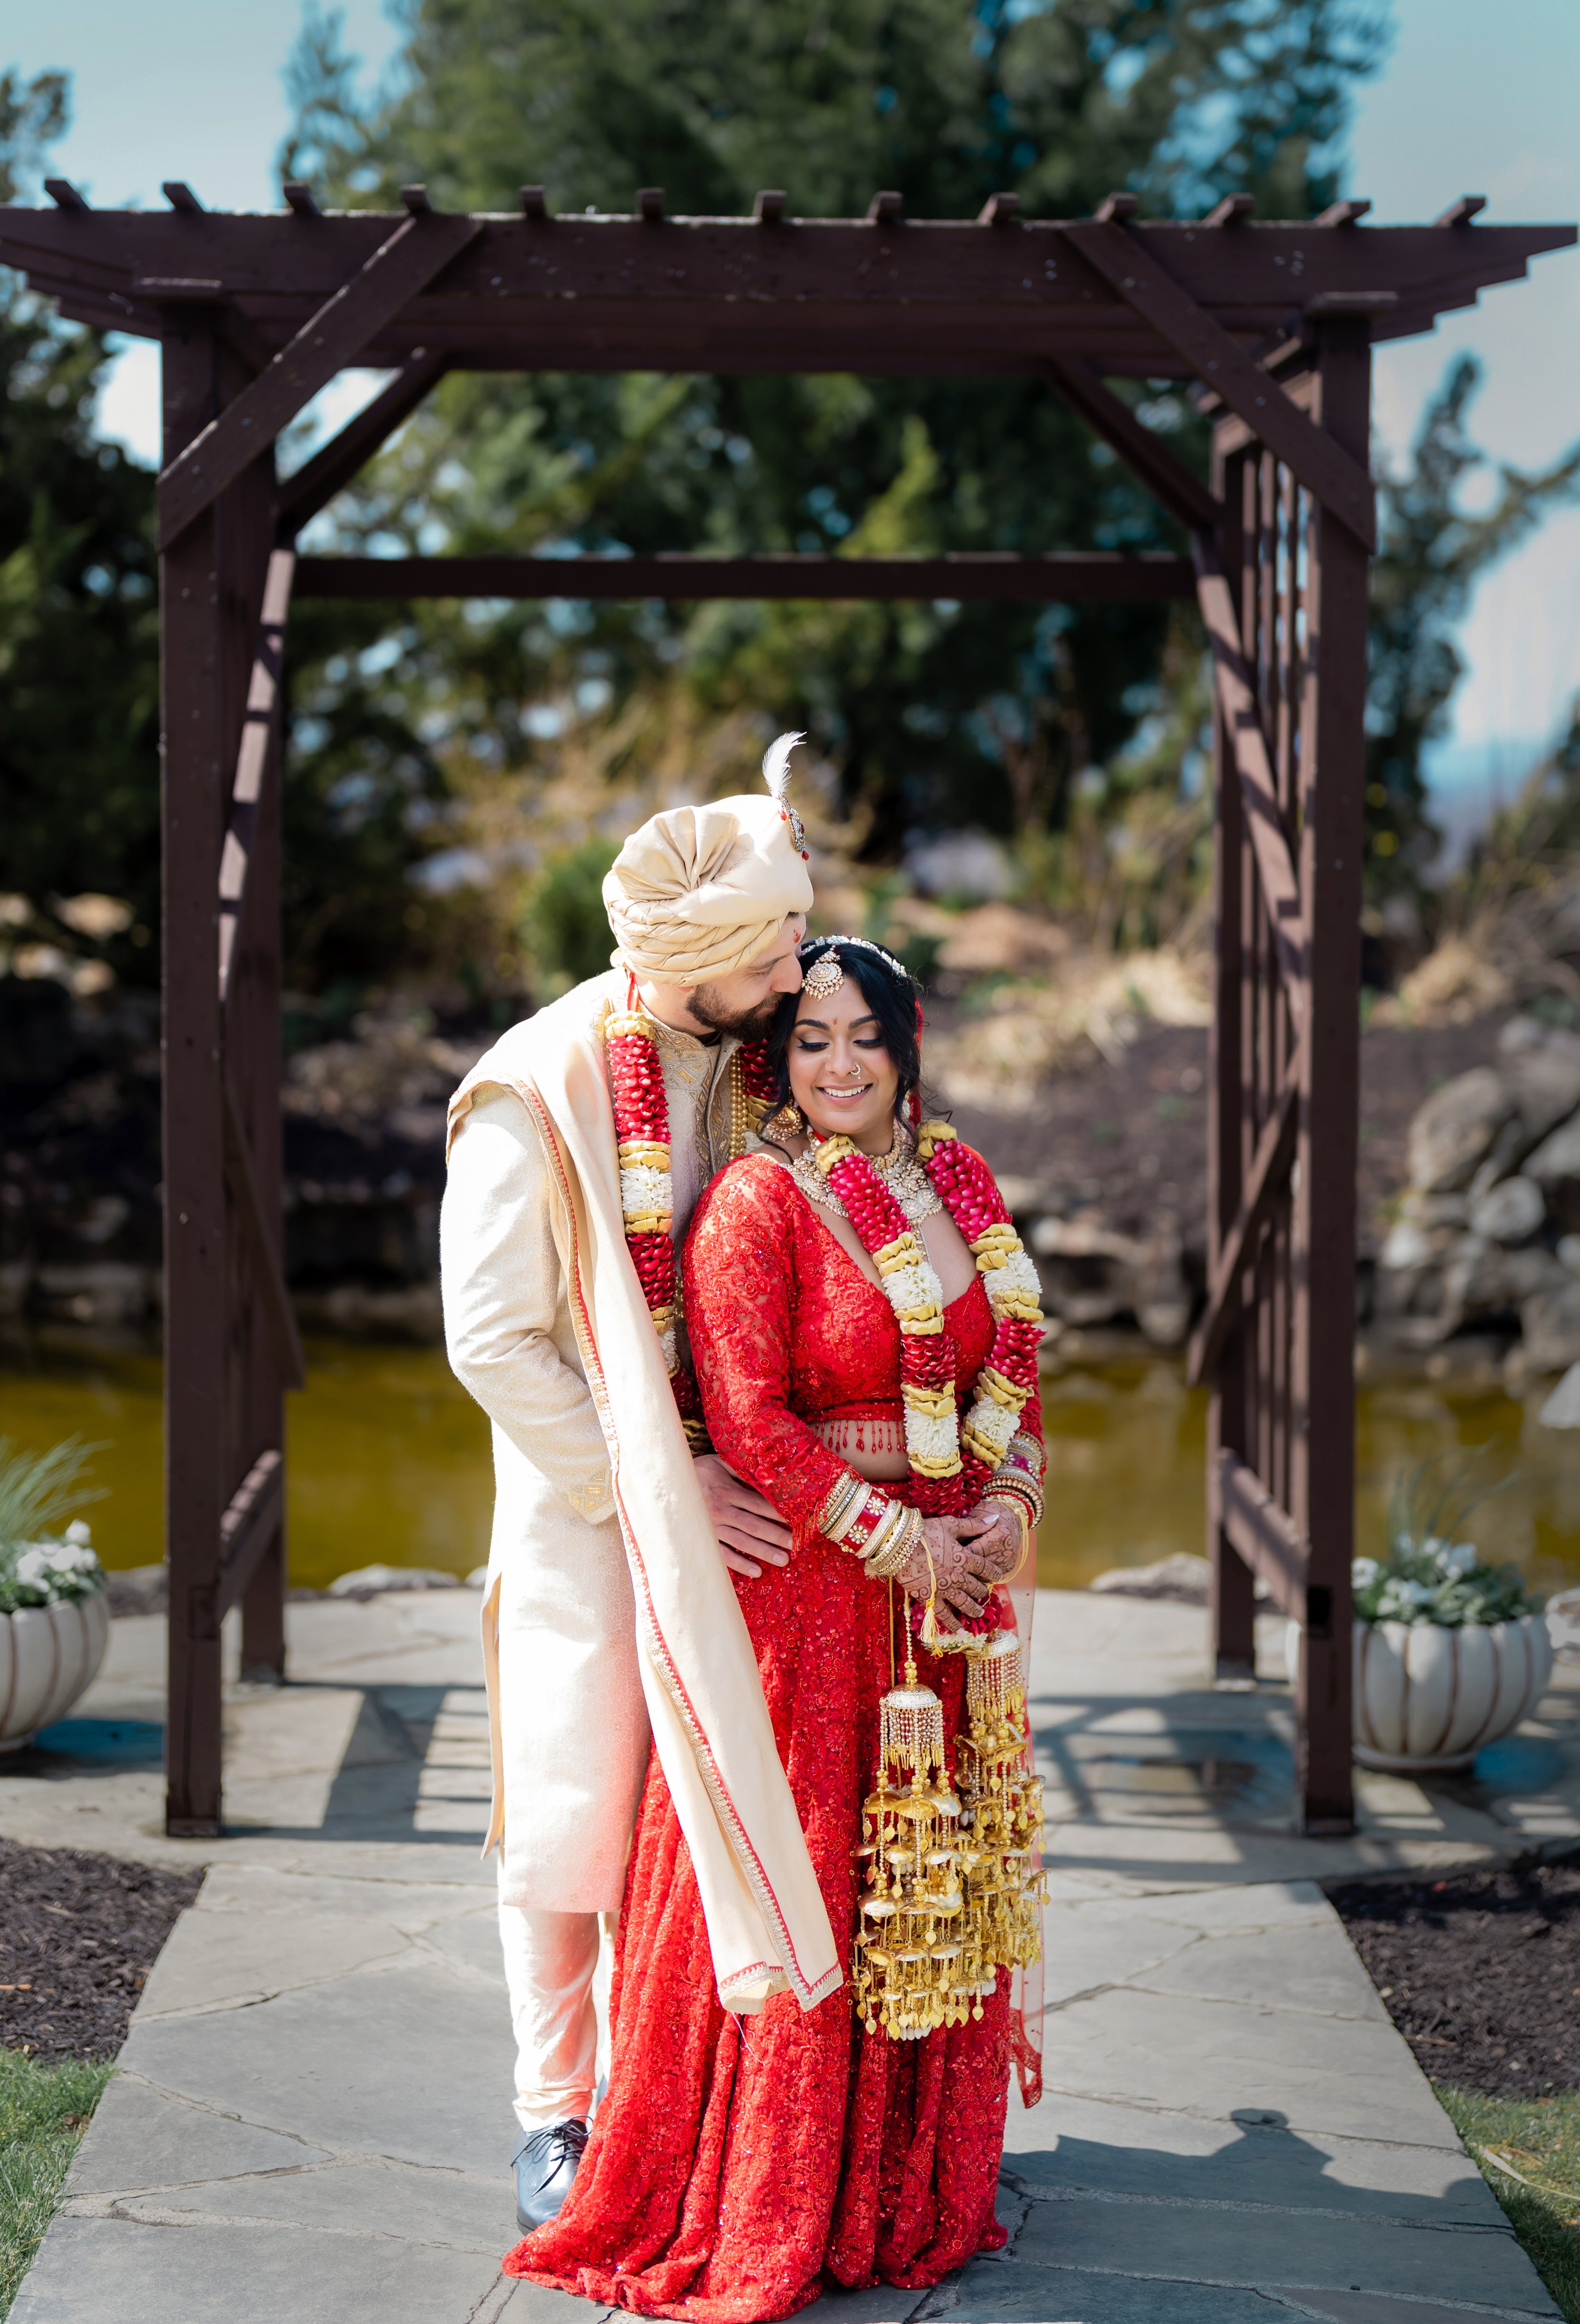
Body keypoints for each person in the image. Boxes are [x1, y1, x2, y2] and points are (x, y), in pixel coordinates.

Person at [507, 935, 1046, 2320]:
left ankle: (898, 2180)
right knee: (811, 1867)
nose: (839, 1064)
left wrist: (1003, 1509)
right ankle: (761, 2184)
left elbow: (1014, 1368)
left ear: (908, 1043)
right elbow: (744, 1417)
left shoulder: (959, 1182)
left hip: (940, 1612)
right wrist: (897, 1539)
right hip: (809, 1601)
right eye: (809, 1040)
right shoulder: (756, 1199)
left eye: (863, 1035)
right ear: (775, 1059)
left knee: (928, 1881)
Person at [440, 741, 842, 2236]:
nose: (801, 962)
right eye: (784, 943)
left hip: (747, 1493)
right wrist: (655, 1481)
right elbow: (489, 1340)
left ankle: (697, 2096)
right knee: (571, 1810)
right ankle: (553, 2110)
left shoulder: (756, 1053)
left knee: (708, 1807)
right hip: (593, 1509)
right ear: (717, 961)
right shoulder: (533, 1085)